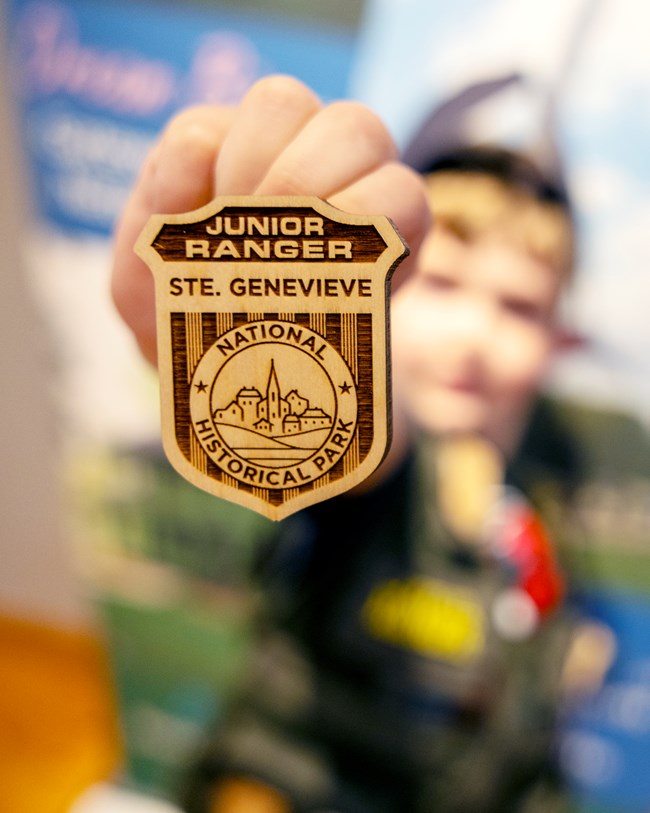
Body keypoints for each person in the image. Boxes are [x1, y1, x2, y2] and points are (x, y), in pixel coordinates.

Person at [111, 75, 602, 813]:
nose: (474, 335)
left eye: (519, 305)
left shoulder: (547, 490)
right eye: (442, 283)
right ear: (381, 293)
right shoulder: (376, 446)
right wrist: (271, 357)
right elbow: (356, 452)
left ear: (560, 336)